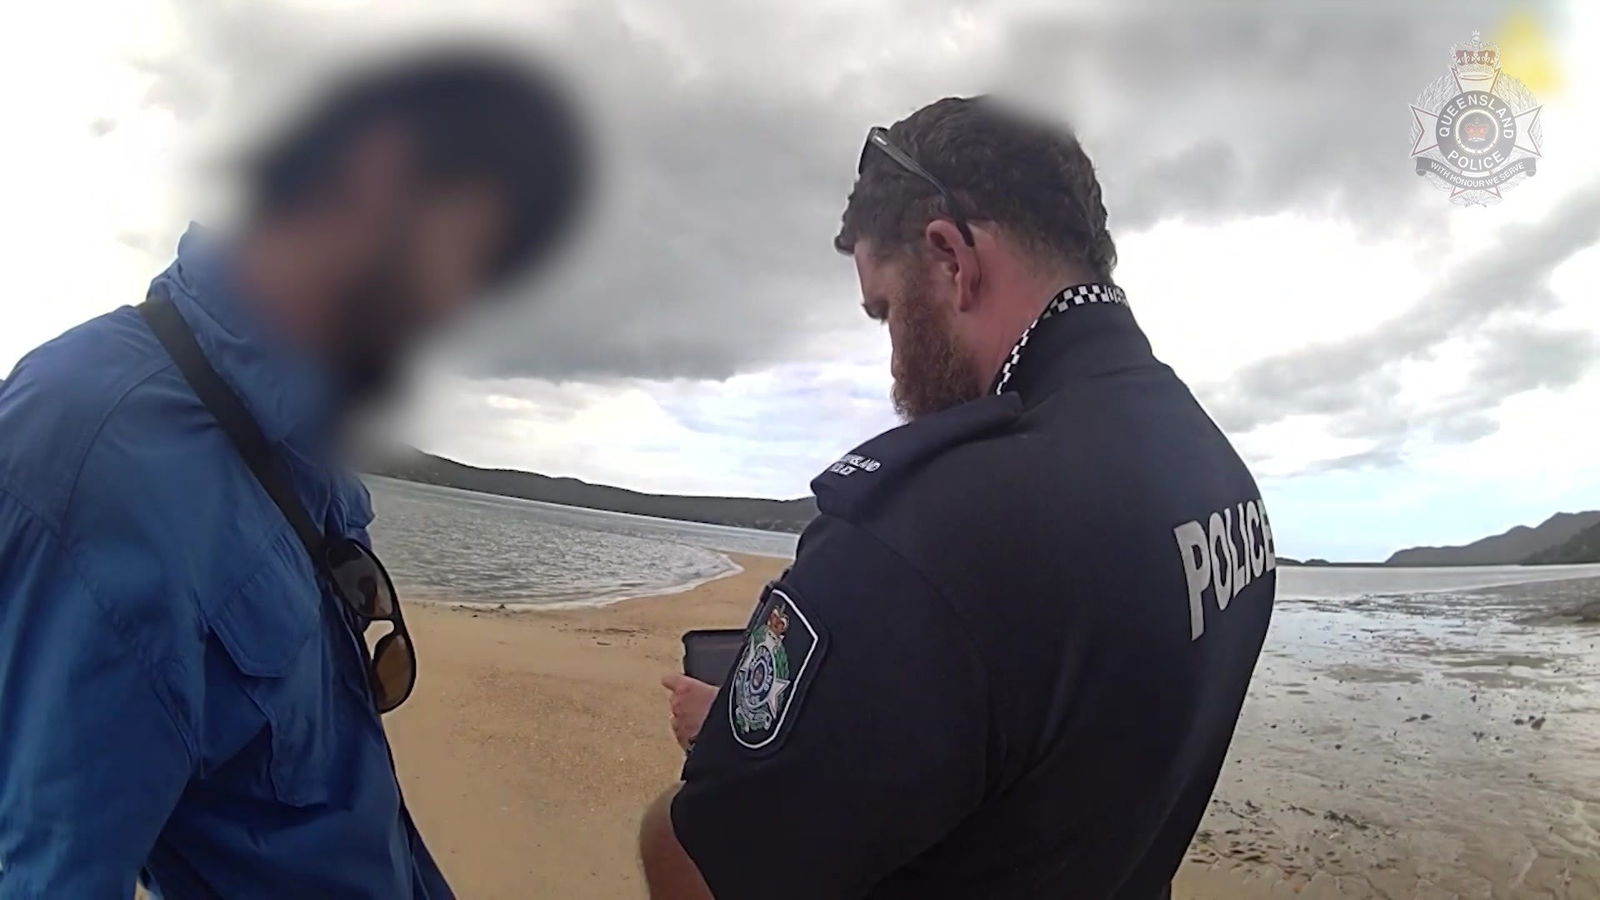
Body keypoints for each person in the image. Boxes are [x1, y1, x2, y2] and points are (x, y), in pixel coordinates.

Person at [641, 96, 1276, 899]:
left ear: (950, 258)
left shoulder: (925, 535)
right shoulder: (1223, 482)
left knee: (666, 831)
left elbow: (710, 870)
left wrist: (714, 779)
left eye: (886, 311)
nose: (894, 355)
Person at [0, 49, 584, 897]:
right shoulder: (87, 443)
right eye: (464, 249)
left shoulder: (296, 441)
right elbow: (48, 867)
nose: (456, 302)